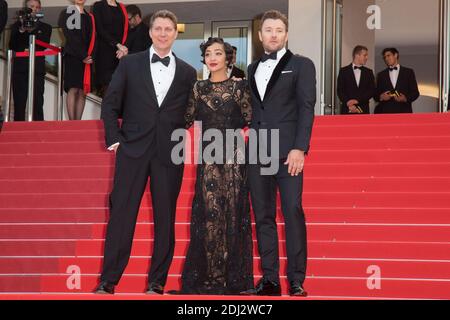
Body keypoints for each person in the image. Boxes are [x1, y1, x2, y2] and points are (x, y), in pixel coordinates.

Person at [95, 10, 197, 295]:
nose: (163, 33)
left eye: (168, 29)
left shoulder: (189, 73)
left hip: (169, 153)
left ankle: (157, 282)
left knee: (166, 219)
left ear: (176, 33)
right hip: (132, 149)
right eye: (158, 28)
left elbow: (191, 113)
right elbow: (110, 103)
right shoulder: (130, 64)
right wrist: (115, 140)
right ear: (150, 32)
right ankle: (108, 281)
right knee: (122, 216)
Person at [243, 10, 315, 297]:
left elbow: (306, 108)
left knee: (292, 212)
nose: (273, 34)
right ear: (260, 36)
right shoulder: (251, 68)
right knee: (262, 217)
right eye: (268, 30)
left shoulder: (301, 65)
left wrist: (300, 148)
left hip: (288, 152)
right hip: (258, 150)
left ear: (286, 35)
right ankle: (270, 280)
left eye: (278, 30)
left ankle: (296, 280)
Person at [176, 37, 253, 295]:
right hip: (208, 156)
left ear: (228, 58)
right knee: (210, 216)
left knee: (232, 215)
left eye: (218, 53)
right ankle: (210, 278)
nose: (212, 57)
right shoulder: (198, 88)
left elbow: (253, 120)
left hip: (234, 156)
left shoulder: (240, 87)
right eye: (208, 53)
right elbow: (184, 119)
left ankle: (234, 279)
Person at [9, 0, 52, 121]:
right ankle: (18, 133)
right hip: (20, 69)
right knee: (19, 103)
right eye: (32, 7)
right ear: (26, 9)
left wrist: (31, 28)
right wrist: (22, 30)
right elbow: (12, 45)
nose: (34, 9)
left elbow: (44, 45)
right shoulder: (17, 26)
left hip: (37, 70)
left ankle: (40, 132)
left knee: (38, 103)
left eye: (37, 7)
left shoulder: (46, 27)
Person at [62, 0, 96, 120]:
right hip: (74, 56)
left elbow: (93, 37)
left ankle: (78, 122)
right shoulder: (71, 11)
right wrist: (83, 56)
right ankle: (72, 123)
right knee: (73, 88)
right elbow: (71, 36)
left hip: (87, 58)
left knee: (82, 91)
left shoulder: (89, 16)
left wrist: (90, 56)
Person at [92, 0, 129, 96]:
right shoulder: (98, 5)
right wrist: (117, 44)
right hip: (104, 51)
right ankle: (107, 111)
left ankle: (116, 111)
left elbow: (126, 30)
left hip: (119, 53)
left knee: (119, 87)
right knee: (107, 87)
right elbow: (99, 29)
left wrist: (123, 48)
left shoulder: (121, 7)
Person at [375, 48, 420, 114]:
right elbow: (376, 95)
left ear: (396, 55)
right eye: (385, 57)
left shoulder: (408, 72)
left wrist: (405, 98)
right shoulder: (381, 75)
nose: (386, 59)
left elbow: (415, 93)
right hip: (386, 113)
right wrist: (381, 97)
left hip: (404, 112)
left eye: (388, 55)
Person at [337, 45, 375, 114]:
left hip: (363, 110)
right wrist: (348, 103)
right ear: (357, 55)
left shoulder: (369, 72)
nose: (367, 57)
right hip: (347, 110)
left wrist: (357, 101)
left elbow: (371, 91)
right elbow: (340, 90)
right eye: (365, 55)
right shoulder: (343, 71)